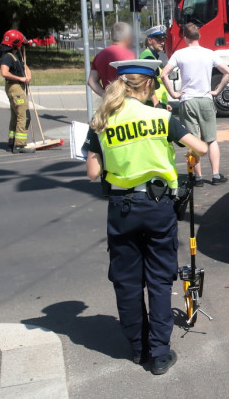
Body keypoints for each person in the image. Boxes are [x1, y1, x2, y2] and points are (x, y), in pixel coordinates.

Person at [84, 59, 208, 376]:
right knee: (158, 280)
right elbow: (201, 149)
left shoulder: (101, 121)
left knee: (127, 282)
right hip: (158, 206)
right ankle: (160, 354)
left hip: (121, 208)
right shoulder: (162, 117)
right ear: (149, 84)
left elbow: (93, 173)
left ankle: (138, 350)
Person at [161, 23, 229, 187]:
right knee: (211, 139)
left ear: (185, 37)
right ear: (198, 36)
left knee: (193, 140)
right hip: (205, 99)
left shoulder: (179, 54)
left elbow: (164, 74)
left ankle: (198, 177)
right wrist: (216, 91)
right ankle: (215, 175)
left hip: (188, 101)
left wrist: (173, 93)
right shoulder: (210, 54)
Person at [0, 30, 35, 154]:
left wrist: (28, 76)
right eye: (20, 43)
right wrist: (20, 78)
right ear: (15, 43)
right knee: (24, 116)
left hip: (18, 87)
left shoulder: (17, 55)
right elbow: (4, 72)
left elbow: (25, 67)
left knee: (15, 115)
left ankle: (12, 141)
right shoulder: (7, 57)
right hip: (15, 88)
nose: (21, 46)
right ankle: (20, 145)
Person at [88, 22, 136, 96]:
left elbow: (91, 81)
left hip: (109, 102)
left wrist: (104, 95)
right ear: (127, 37)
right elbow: (133, 80)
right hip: (124, 100)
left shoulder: (100, 55)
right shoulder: (128, 55)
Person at [140, 26, 172, 110]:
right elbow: (147, 82)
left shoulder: (151, 56)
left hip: (156, 103)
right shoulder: (148, 57)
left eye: (163, 40)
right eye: (159, 40)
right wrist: (156, 102)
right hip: (152, 104)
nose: (162, 43)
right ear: (150, 41)